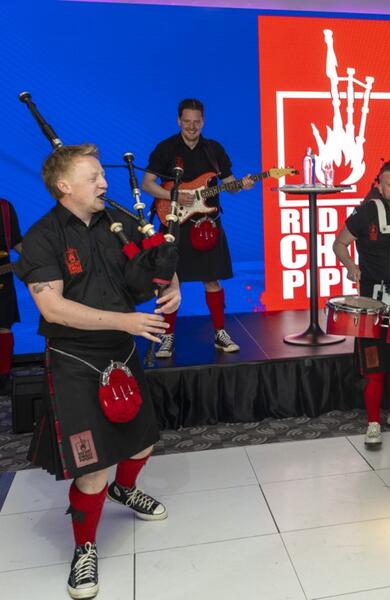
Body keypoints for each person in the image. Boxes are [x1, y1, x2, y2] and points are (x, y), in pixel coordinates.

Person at [15, 144, 181, 598]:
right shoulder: (42, 237)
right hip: (74, 358)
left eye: (103, 177)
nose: (104, 183)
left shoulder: (118, 220)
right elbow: (53, 306)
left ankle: (125, 491)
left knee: (144, 440)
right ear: (64, 186)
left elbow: (156, 258)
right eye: (93, 177)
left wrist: (174, 287)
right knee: (91, 469)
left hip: (122, 350)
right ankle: (84, 547)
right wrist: (127, 320)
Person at [141, 98, 254, 358]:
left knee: (212, 279)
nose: (192, 127)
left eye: (197, 122)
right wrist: (174, 196)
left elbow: (230, 184)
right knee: (168, 281)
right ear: (179, 121)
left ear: (203, 121)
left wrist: (242, 184)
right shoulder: (165, 148)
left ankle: (220, 333)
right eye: (187, 121)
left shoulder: (214, 150)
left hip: (207, 226)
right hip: (173, 224)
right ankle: (167, 336)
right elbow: (147, 184)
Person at [332, 161, 390, 449]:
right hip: (372, 303)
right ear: (380, 186)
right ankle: (373, 423)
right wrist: (350, 266)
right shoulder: (366, 212)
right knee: (374, 366)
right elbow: (339, 243)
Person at [0, 197, 22, 393]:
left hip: (3, 278)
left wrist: (39, 255)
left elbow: (15, 241)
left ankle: (3, 377)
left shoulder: (5, 207)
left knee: (3, 327)